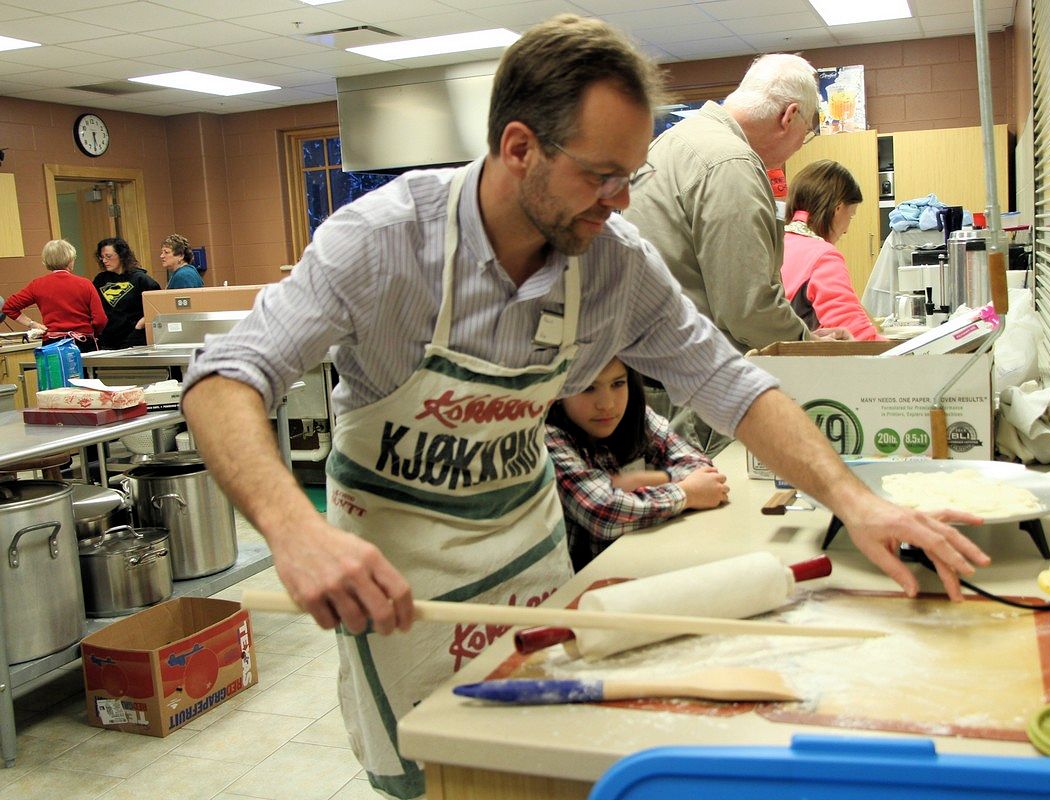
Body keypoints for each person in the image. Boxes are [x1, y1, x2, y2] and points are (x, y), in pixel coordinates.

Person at [180, 15, 988, 799]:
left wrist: (855, 500)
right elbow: (225, 377)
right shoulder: (382, 242)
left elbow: (729, 381)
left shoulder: (612, 265)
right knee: (445, 773)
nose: (621, 200)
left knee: (544, 761)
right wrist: (296, 531)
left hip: (527, 558)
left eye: (630, 176)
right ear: (519, 147)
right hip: (397, 582)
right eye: (601, 175)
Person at [623, 53, 848, 455]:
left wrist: (803, 334)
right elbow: (746, 308)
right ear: (789, 116)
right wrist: (808, 343)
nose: (800, 146)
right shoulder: (731, 163)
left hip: (649, 379)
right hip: (692, 390)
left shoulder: (675, 141)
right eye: (807, 133)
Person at [546, 358, 728, 571]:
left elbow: (698, 467)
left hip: (640, 560)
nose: (607, 404)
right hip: (583, 581)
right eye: (588, 388)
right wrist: (685, 493)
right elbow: (603, 512)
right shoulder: (548, 437)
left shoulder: (635, 415)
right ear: (558, 393)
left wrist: (647, 483)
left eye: (617, 384)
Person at [781, 160, 887, 341]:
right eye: (851, 215)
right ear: (838, 209)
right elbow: (853, 331)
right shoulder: (822, 256)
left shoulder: (777, 242)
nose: (846, 230)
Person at [2, 239, 107, 352]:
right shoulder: (85, 284)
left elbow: (9, 307)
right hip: (83, 344)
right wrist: (91, 333)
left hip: (52, 345)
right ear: (70, 259)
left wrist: (32, 324)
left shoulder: (37, 285)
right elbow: (100, 319)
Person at [93, 236, 159, 349]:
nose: (104, 261)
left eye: (108, 256)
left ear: (121, 255)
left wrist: (139, 326)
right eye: (102, 257)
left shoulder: (141, 280)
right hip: (107, 341)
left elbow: (157, 308)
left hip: (134, 339)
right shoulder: (100, 280)